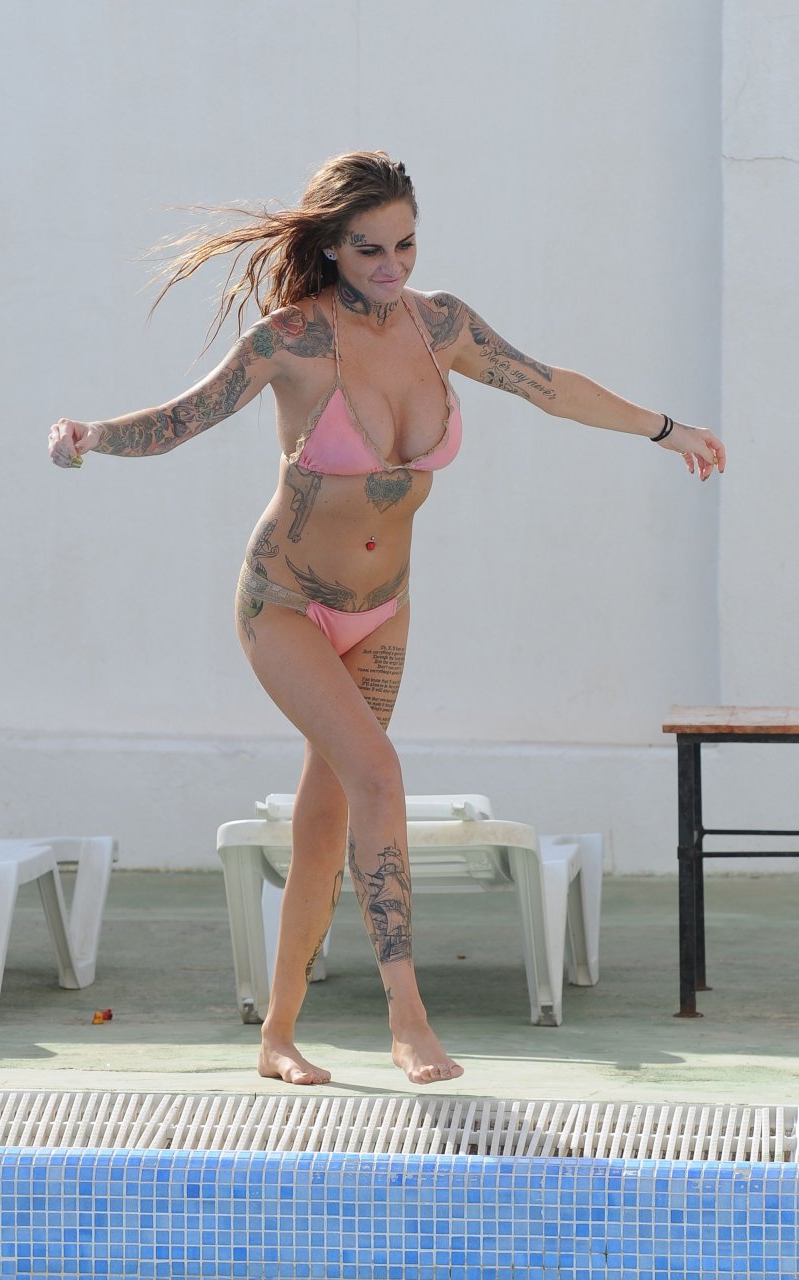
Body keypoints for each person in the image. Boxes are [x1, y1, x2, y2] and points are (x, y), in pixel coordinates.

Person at [48, 150, 725, 1087]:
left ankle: (277, 1036)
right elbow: (182, 418)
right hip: (285, 604)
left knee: (327, 820)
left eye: (405, 244)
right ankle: (407, 1017)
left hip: (382, 610)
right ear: (331, 246)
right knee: (378, 772)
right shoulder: (290, 339)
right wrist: (92, 438)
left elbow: (548, 384)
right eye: (369, 249)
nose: (392, 265)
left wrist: (666, 429)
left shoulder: (440, 326)